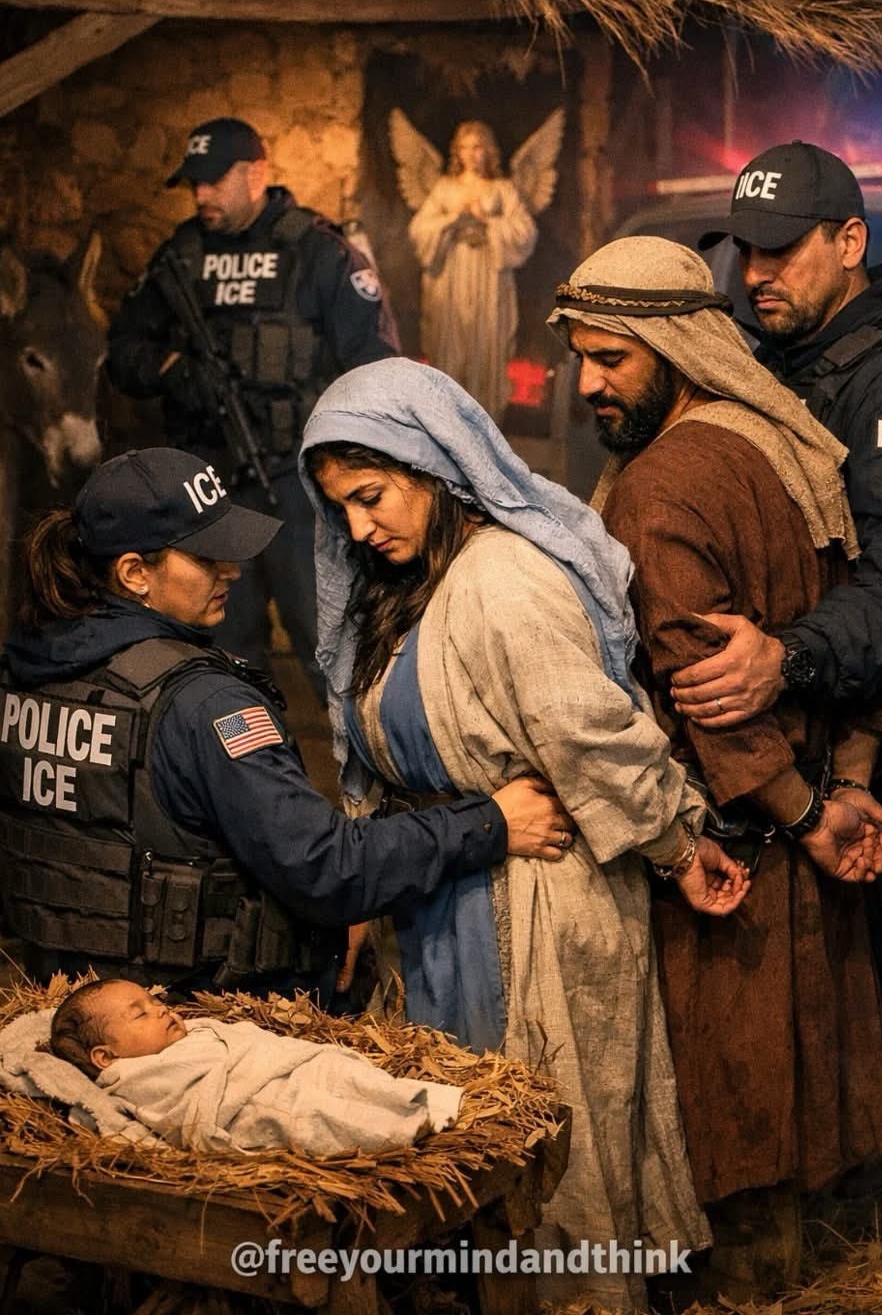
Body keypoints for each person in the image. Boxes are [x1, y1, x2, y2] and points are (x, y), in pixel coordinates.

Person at [299, 359, 753, 1314]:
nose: (358, 529)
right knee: (456, 1142)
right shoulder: (406, 586)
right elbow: (373, 757)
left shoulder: (504, 579)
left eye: (371, 497)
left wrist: (677, 847)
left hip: (533, 896)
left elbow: (592, 736)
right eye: (341, 509)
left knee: (550, 1141)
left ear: (431, 466)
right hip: (442, 888)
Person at [551, 237, 882, 1293]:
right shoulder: (785, 441)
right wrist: (849, 785)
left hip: (734, 859)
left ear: (673, 348)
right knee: (795, 1109)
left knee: (732, 1107)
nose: (588, 384)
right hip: (810, 820)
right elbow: (858, 633)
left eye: (611, 358)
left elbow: (703, 694)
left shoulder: (662, 486)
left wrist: (803, 814)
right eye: (580, 358)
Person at [0, 447, 576, 1007]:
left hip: (71, 1005)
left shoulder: (24, 670)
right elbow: (327, 868)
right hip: (195, 1018)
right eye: (206, 557)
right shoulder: (204, 703)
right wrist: (491, 824)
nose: (232, 571)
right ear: (135, 572)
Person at [677, 142, 882, 1209]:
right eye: (746, 252)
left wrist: (786, 656)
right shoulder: (791, 357)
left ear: (849, 242)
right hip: (838, 742)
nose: (756, 274)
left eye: (782, 252)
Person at [106, 117, 400, 694]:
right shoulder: (181, 256)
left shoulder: (318, 252)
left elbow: (377, 367)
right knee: (222, 655)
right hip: (209, 492)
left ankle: (362, 754)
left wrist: (353, 471)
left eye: (214, 181)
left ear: (256, 173)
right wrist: (171, 369)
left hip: (300, 486)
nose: (201, 195)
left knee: (331, 647)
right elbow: (121, 351)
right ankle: (245, 750)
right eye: (194, 184)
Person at [48, 979, 462, 1157]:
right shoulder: (133, 1079)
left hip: (273, 1066)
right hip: (241, 1103)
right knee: (303, 1113)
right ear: (106, 1057)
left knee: (332, 1067)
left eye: (156, 1002)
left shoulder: (196, 1030)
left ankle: (415, 1099)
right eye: (140, 1014)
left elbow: (251, 1041)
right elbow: (181, 1111)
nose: (160, 1011)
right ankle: (402, 1127)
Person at [407, 121, 537, 419]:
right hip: (452, 273)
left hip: (487, 274)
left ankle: (484, 415)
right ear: (457, 151)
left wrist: (488, 221)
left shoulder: (502, 188)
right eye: (464, 147)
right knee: (450, 341)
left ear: (488, 151)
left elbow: (525, 231)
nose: (471, 154)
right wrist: (450, 220)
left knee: (486, 340)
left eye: (477, 147)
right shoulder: (445, 187)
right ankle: (447, 415)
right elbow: (418, 229)